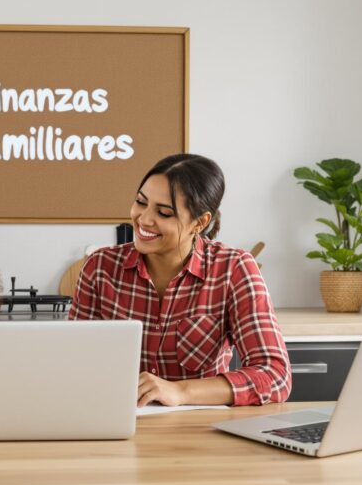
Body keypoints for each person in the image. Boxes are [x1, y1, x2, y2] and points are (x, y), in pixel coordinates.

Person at [70, 153, 291, 406]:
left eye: (164, 213)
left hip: (201, 431)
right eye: (141, 202)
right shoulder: (100, 267)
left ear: (200, 222)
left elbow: (275, 376)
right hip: (116, 420)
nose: (143, 219)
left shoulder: (233, 268)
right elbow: (75, 365)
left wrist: (179, 391)